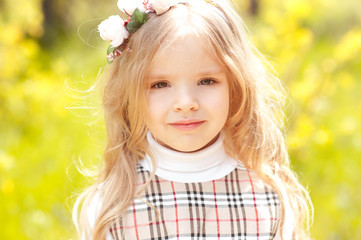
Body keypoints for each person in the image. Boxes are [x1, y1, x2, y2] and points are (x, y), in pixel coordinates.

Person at [73, 0, 313, 239]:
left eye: (206, 81)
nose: (186, 102)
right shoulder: (113, 206)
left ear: (236, 86)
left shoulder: (268, 200)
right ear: (129, 93)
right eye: (160, 84)